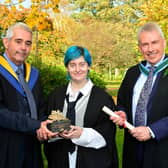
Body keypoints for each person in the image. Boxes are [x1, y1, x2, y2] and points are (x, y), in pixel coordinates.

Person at [43, 46, 118, 168]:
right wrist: (55, 130)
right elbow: (46, 124)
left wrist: (82, 134)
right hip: (60, 159)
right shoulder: (55, 96)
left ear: (88, 66)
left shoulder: (102, 98)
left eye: (82, 64)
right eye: (72, 65)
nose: (78, 69)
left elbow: (107, 133)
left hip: (92, 161)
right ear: (67, 67)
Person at [110, 22, 168, 168]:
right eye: (145, 44)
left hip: (162, 150)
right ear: (139, 48)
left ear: (164, 43)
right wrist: (122, 114)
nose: (150, 49)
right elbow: (122, 102)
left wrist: (152, 131)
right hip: (133, 149)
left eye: (154, 42)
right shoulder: (132, 73)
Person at [0, 22, 55, 168]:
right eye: (18, 41)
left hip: (32, 149)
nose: (23, 47)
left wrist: (44, 128)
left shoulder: (34, 74)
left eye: (28, 43)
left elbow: (41, 108)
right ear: (6, 42)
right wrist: (36, 125)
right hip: (6, 149)